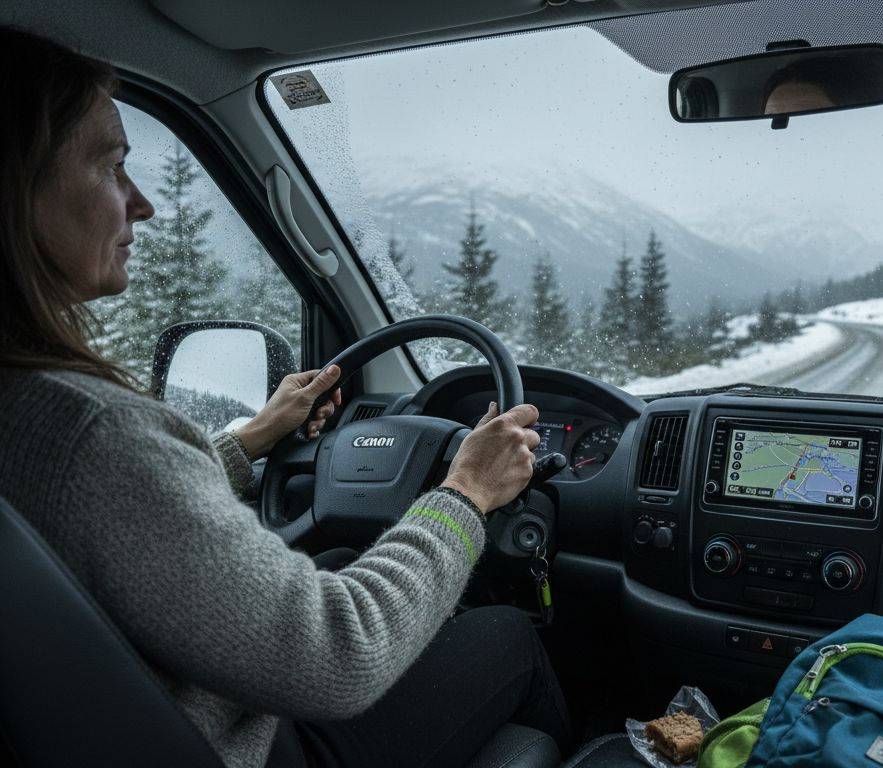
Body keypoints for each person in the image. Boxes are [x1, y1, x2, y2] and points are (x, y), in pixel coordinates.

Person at [0, 26, 570, 768]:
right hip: (245, 747)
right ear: (17, 190)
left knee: (335, 550)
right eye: (111, 166)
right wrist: (465, 493)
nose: (139, 204)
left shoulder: (31, 411)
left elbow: (97, 512)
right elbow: (338, 654)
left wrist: (248, 441)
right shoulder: (93, 430)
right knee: (512, 637)